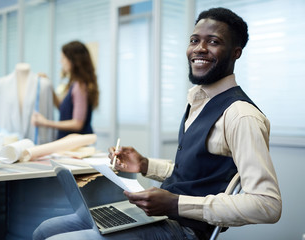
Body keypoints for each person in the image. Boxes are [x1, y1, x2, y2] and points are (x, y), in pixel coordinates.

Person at [33, 7, 281, 240]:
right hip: (162, 217)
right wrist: (143, 164)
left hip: (184, 229)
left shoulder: (241, 116)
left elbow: (267, 204)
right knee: (45, 229)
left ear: (236, 52)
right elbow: (193, 174)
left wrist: (175, 203)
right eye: (194, 40)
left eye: (213, 42)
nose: (200, 48)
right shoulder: (198, 100)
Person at [31, 40, 99, 139]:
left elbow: (77, 124)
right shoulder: (74, 84)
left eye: (63, 58)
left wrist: (45, 122)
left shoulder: (80, 87)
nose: (60, 61)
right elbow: (62, 108)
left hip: (76, 145)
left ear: (73, 61)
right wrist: (49, 85)